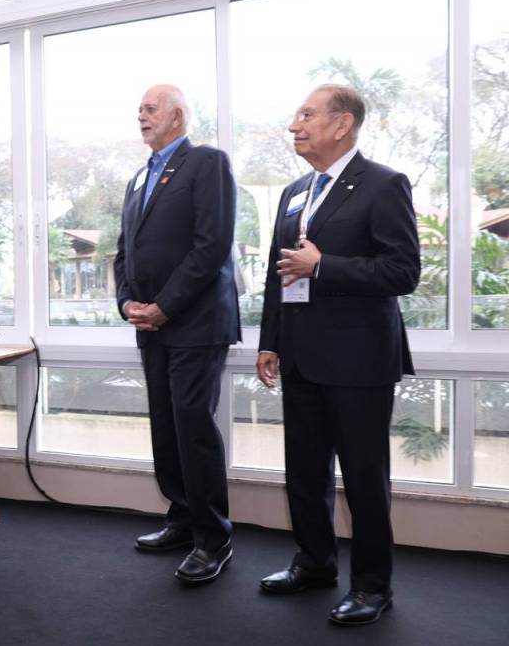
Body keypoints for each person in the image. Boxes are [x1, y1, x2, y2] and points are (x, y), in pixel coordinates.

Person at [256, 84, 420, 626]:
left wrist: (325, 266)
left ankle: (373, 587)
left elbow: (403, 271)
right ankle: (314, 563)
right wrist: (270, 340)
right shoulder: (295, 192)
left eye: (306, 114)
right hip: (300, 357)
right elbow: (279, 273)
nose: (294, 125)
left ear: (342, 123)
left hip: (359, 361)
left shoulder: (383, 184)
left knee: (364, 480)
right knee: (304, 473)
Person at [113, 84, 239, 584]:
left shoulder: (206, 163)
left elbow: (212, 246)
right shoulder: (138, 178)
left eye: (150, 108)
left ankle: (214, 537)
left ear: (178, 116)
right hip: (151, 324)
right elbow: (124, 251)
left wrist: (165, 306)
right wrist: (127, 302)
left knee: (192, 424)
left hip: (195, 322)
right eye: (139, 109)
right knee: (166, 426)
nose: (140, 115)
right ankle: (183, 518)